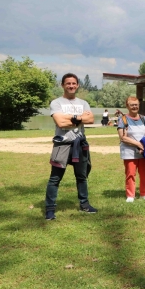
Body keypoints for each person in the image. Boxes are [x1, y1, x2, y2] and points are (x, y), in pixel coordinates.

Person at [45, 73, 97, 220]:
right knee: (55, 178)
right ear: (62, 85)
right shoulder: (57, 103)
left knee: (82, 177)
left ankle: (85, 205)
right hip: (62, 144)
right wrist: (81, 118)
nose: (71, 86)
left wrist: (71, 118)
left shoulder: (83, 103)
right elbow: (60, 123)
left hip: (80, 144)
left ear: (78, 85)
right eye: (68, 83)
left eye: (74, 83)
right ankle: (50, 209)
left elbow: (91, 119)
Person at [117, 96, 145, 203]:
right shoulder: (123, 119)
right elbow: (123, 137)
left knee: (144, 173)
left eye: (136, 104)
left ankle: (144, 194)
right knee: (130, 174)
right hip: (129, 152)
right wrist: (138, 144)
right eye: (132, 105)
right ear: (127, 106)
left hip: (143, 151)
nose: (134, 107)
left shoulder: (143, 118)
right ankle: (130, 195)